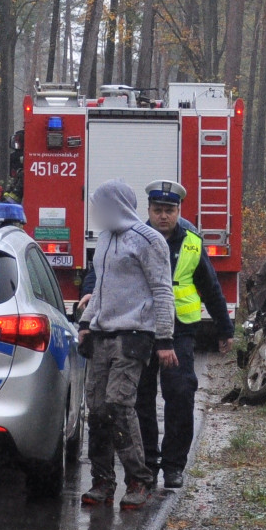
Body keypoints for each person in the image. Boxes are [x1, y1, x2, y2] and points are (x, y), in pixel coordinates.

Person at [76, 178, 173, 511]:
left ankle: (139, 480)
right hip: (101, 333)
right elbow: (101, 287)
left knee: (119, 404)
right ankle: (103, 481)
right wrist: (86, 323)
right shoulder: (104, 239)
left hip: (135, 334)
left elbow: (163, 291)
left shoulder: (149, 240)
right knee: (98, 410)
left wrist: (164, 338)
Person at [134, 181, 232, 491]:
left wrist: (224, 327)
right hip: (141, 329)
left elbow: (210, 286)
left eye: (169, 210)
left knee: (179, 395)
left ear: (179, 211)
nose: (163, 216)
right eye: (157, 210)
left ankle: (174, 466)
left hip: (180, 331)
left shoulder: (191, 241)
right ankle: (147, 463)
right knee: (141, 399)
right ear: (148, 211)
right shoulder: (135, 238)